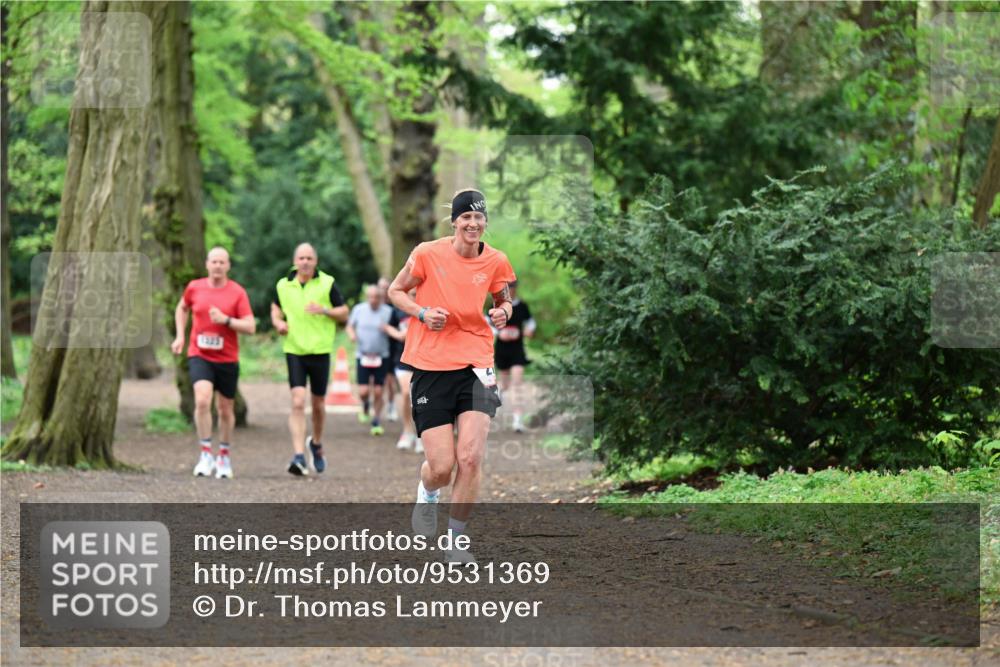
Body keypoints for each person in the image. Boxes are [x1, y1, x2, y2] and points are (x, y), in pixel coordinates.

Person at [387, 188, 515, 563]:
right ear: (455, 221)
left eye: (479, 218)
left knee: (471, 457)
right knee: (442, 468)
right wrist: (423, 313)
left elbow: (503, 299)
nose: (473, 224)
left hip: (477, 362)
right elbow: (397, 291)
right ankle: (428, 493)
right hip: (430, 365)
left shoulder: (495, 261)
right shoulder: (427, 253)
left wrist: (503, 311)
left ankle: (456, 540)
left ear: (485, 222)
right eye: (466, 218)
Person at [170, 247, 256, 479]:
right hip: (200, 354)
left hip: (227, 358)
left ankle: (224, 456)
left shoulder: (237, 293)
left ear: (228, 266)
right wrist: (180, 336)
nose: (217, 266)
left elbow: (250, 326)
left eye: (222, 262)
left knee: (225, 410)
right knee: (202, 400)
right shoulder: (194, 287)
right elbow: (182, 307)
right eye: (214, 261)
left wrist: (227, 320)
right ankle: (206, 453)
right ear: (207, 264)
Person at [271, 243, 349, 476]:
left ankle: (315, 443)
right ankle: (298, 456)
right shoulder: (283, 284)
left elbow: (344, 312)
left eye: (309, 258)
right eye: (301, 258)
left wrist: (325, 310)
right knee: (297, 401)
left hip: (320, 350)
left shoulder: (327, 283)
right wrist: (278, 323)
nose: (305, 262)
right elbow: (275, 309)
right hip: (294, 349)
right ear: (295, 260)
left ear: (315, 261)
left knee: (317, 405)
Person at [346, 285, 393, 436]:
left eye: (377, 297)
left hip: (382, 355)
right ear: (367, 297)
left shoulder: (388, 311)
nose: (373, 300)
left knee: (379, 391)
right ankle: (365, 404)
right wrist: (352, 334)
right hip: (363, 355)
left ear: (381, 298)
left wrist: (388, 330)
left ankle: (376, 420)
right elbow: (349, 326)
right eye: (371, 297)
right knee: (364, 391)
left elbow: (394, 330)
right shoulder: (359, 309)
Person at [493, 280, 536, 432]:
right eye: (507, 288)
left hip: (517, 350)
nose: (510, 290)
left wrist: (529, 331)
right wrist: (499, 333)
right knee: (504, 384)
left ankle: (517, 421)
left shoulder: (522, 306)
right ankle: (500, 395)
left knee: (517, 382)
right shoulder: (496, 305)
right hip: (502, 350)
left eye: (512, 287)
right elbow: (486, 324)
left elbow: (531, 322)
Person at [384, 288, 422, 453]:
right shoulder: (399, 310)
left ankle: (422, 434)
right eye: (412, 293)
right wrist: (398, 334)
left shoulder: (428, 309)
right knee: (407, 393)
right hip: (403, 358)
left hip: (425, 359)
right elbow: (388, 326)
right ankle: (407, 431)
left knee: (421, 397)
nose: (415, 296)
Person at [378, 277, 400, 423]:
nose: (383, 290)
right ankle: (376, 406)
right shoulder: (373, 307)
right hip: (377, 348)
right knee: (376, 382)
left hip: (392, 347)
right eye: (381, 287)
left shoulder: (396, 308)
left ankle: (391, 405)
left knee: (390, 380)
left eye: (386, 287)